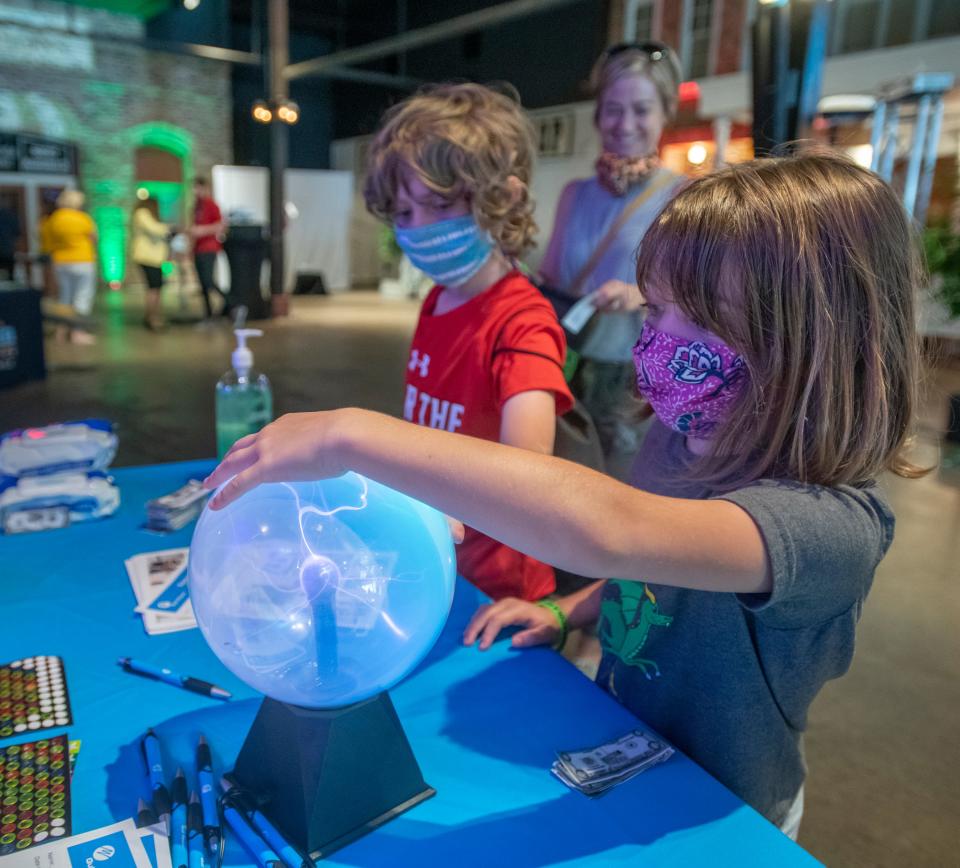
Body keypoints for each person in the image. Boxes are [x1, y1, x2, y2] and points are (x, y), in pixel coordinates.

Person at [203, 153, 927, 838]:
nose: (657, 339)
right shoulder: (677, 440)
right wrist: (568, 608)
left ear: (813, 345)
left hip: (721, 811)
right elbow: (650, 573)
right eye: (653, 311)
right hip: (629, 751)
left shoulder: (828, 527)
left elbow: (610, 529)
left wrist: (351, 436)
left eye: (697, 320)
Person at [362, 82, 574, 602]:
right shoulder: (438, 299)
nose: (416, 230)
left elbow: (527, 470)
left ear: (501, 200)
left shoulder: (522, 321)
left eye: (436, 205)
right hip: (440, 562)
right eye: (403, 214)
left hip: (501, 587)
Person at [538, 42, 683, 463]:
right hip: (567, 359)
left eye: (641, 109)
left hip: (634, 377)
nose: (626, 123)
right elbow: (550, 277)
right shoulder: (574, 194)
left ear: (664, 113)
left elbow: (703, 300)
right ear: (599, 114)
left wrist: (639, 294)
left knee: (621, 489)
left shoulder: (683, 195)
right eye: (614, 109)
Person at [45, 189, 98, 345]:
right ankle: (77, 332)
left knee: (65, 297)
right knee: (82, 297)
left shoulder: (53, 219)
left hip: (60, 261)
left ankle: (61, 331)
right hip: (82, 261)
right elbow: (93, 238)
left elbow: (46, 241)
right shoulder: (83, 218)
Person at [190, 176, 228, 323]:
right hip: (198, 249)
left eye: (198, 187)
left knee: (208, 281)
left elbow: (220, 225)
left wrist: (202, 230)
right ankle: (208, 313)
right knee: (203, 283)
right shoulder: (196, 206)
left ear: (204, 188)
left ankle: (232, 302)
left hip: (209, 248)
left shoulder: (211, 204)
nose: (195, 191)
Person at [130, 196, 170, 331]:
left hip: (154, 258)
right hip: (148, 258)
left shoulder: (143, 214)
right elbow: (155, 229)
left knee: (155, 288)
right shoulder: (142, 213)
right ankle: (153, 318)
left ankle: (152, 316)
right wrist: (169, 228)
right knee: (154, 288)